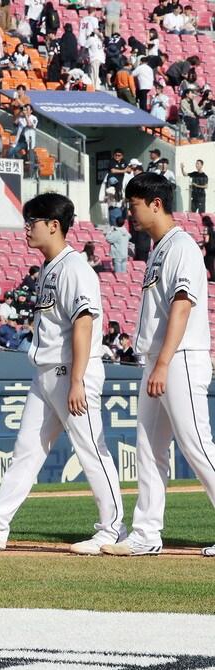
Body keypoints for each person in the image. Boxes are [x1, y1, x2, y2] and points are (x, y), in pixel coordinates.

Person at [0, 193, 125, 555]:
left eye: (33, 222)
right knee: (26, 451)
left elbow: (84, 324)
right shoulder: (50, 267)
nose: (27, 228)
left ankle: (112, 530)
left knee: (91, 451)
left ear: (54, 225)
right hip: (45, 373)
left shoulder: (75, 268)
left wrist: (77, 381)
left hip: (71, 373)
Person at [101, 173, 215, 556]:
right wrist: (157, 363)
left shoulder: (182, 246)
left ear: (156, 204)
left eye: (134, 205)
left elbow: (183, 306)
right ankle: (146, 534)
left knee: (197, 446)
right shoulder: (159, 249)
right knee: (149, 450)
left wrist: (164, 363)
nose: (129, 213)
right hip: (158, 359)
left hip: (180, 357)